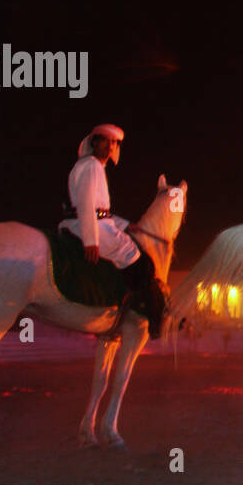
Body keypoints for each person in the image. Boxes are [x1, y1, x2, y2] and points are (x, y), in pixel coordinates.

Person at [59, 124, 166, 338]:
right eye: (105, 141)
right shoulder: (91, 166)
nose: (110, 146)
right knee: (142, 262)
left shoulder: (94, 166)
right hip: (89, 227)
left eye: (114, 143)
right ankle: (152, 317)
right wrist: (91, 242)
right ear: (94, 143)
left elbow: (101, 212)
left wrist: (125, 224)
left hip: (93, 222)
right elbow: (86, 205)